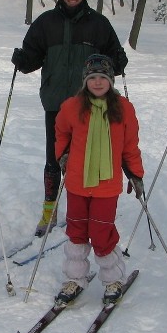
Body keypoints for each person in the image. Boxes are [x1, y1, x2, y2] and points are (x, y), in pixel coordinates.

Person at [11, 0, 129, 237]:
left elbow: (115, 59)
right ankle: (49, 210)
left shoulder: (98, 24)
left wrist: (115, 62)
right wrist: (22, 59)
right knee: (54, 158)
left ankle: (89, 210)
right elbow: (32, 59)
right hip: (55, 102)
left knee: (91, 158)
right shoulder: (46, 23)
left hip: (91, 105)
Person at [54, 54, 145, 305]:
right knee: (77, 232)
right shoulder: (71, 106)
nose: (97, 82)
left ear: (111, 81)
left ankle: (113, 279)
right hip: (77, 181)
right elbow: (61, 132)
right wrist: (62, 155)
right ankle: (74, 279)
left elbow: (130, 146)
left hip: (106, 184)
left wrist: (135, 174)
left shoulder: (124, 108)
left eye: (102, 78)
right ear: (85, 81)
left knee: (101, 233)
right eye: (92, 78)